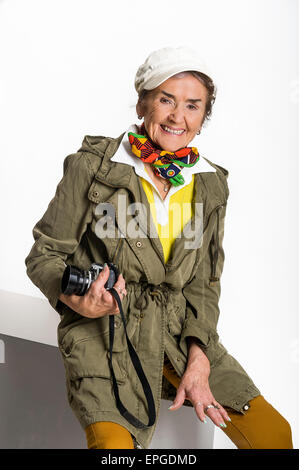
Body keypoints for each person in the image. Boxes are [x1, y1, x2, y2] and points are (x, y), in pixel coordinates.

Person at [25, 46, 293, 450]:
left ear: (204, 117)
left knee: (274, 435)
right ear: (142, 102)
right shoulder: (94, 167)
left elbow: (204, 282)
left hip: (181, 333)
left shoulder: (209, 184)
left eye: (192, 106)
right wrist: (77, 300)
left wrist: (200, 356)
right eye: (166, 99)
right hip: (106, 332)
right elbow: (44, 256)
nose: (177, 117)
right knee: (115, 450)